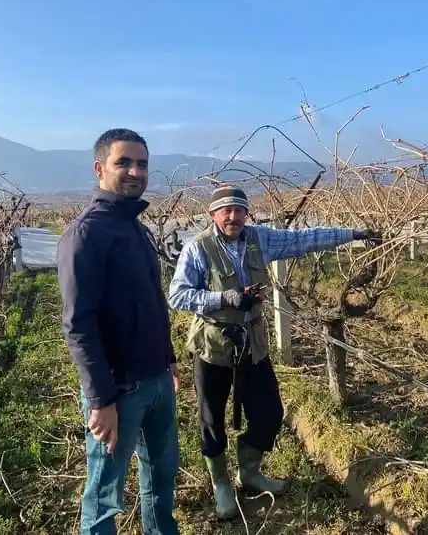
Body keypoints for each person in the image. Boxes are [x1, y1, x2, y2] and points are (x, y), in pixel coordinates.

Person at [167, 185, 375, 520]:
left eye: (239, 210)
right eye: (226, 211)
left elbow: (304, 240)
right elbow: (177, 296)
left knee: (269, 413)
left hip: (253, 342)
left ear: (247, 214)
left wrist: (352, 234)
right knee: (211, 418)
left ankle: (249, 471)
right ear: (213, 215)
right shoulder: (198, 248)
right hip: (213, 344)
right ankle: (221, 484)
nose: (233, 217)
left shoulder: (259, 239)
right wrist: (223, 299)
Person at [57, 128, 180, 535]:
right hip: (119, 390)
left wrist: (169, 360)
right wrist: (101, 399)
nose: (135, 171)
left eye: (141, 163)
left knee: (161, 479)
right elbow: (79, 324)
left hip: (158, 379)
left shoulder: (135, 227)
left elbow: (152, 301)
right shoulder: (87, 233)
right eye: (123, 162)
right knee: (105, 495)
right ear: (99, 168)